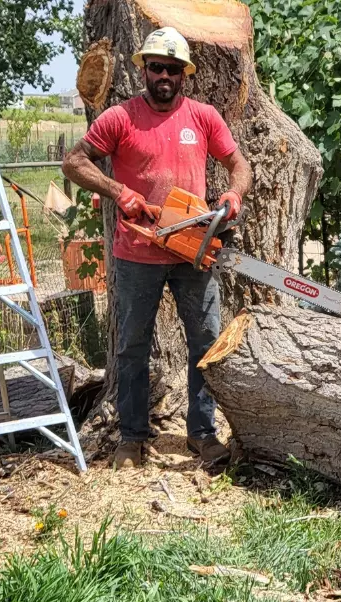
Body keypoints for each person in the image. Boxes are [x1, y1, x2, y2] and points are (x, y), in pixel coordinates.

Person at [62, 27, 252, 469]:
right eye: (156, 67)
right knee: (131, 345)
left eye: (172, 68)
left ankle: (203, 434)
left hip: (192, 248)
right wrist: (117, 191)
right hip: (136, 252)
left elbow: (238, 164)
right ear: (143, 69)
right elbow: (73, 161)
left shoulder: (203, 117)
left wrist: (234, 195)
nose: (164, 75)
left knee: (205, 342)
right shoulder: (120, 117)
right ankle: (132, 437)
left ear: (184, 74)